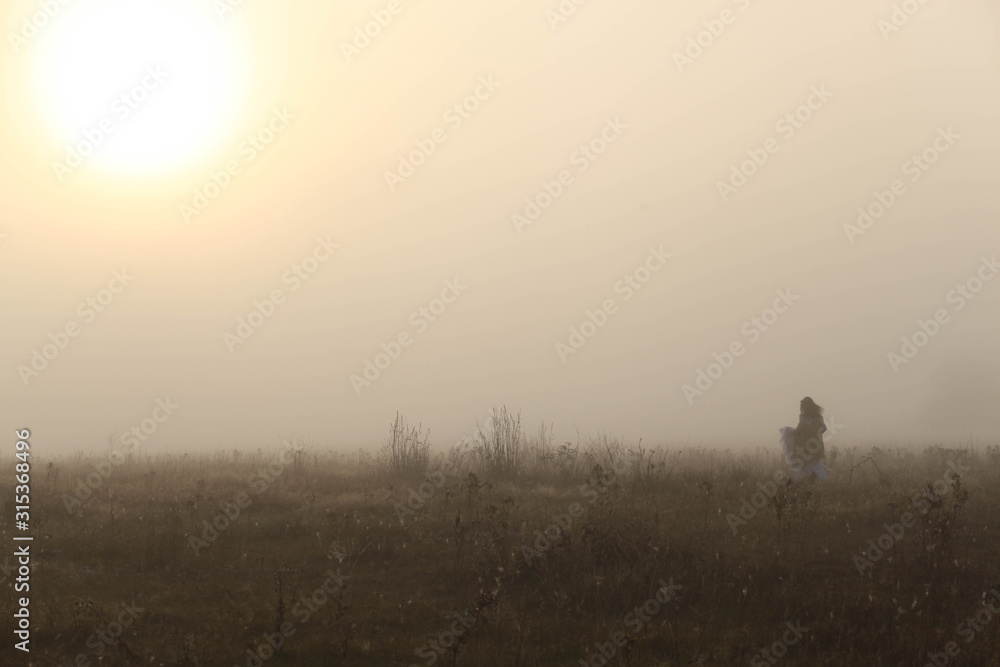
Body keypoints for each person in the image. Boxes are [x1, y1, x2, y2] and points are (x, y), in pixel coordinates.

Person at [779, 396, 828, 480]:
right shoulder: (818, 417)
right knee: (815, 462)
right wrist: (817, 434)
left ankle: (808, 480)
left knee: (805, 463)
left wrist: (788, 432)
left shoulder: (803, 416)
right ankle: (816, 479)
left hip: (805, 444)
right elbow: (824, 428)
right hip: (816, 444)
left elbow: (799, 429)